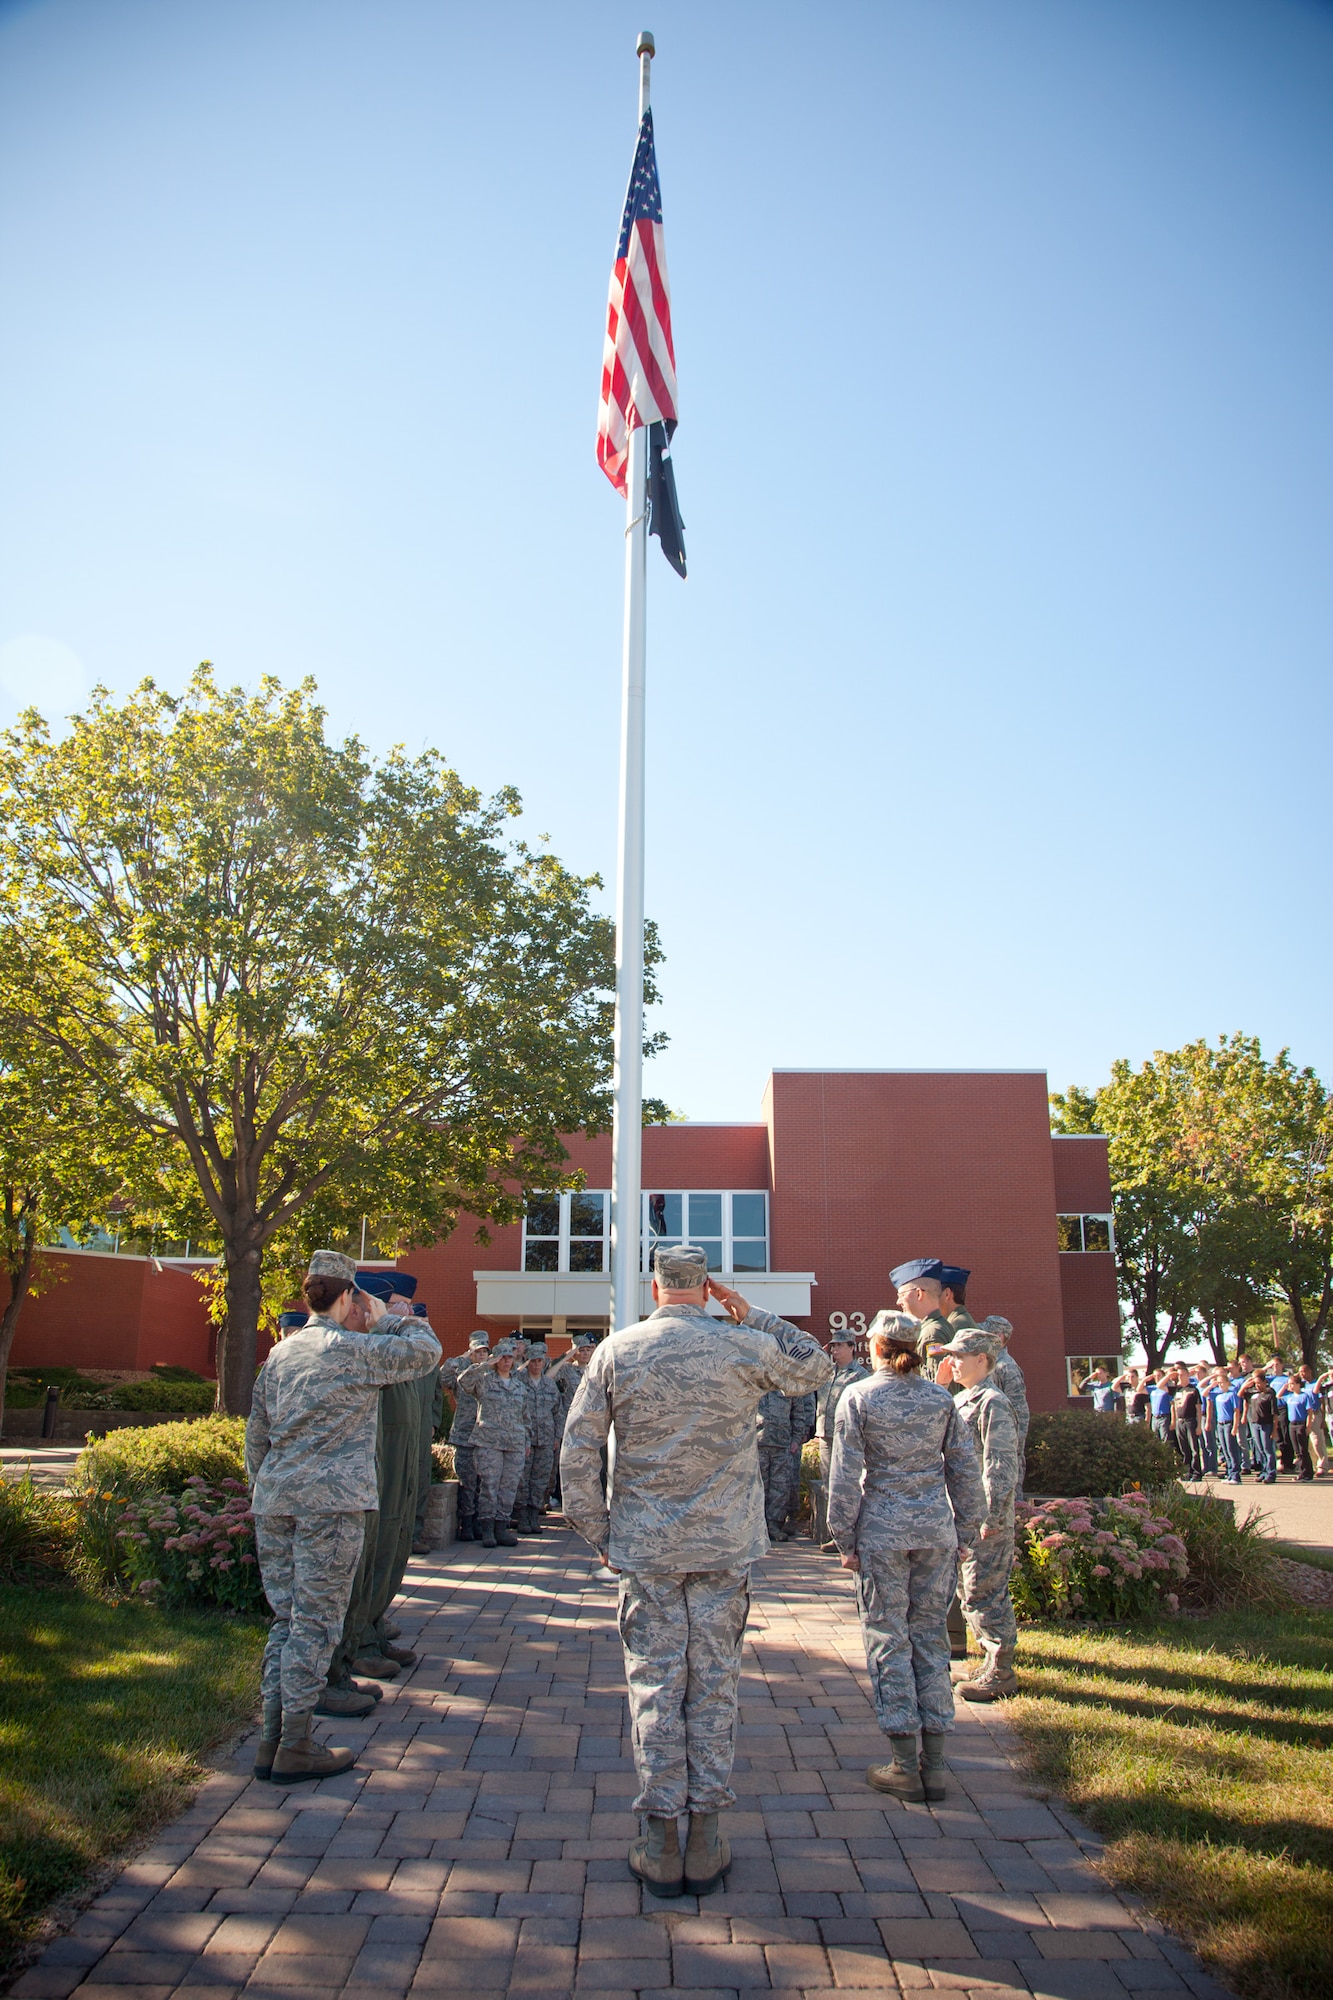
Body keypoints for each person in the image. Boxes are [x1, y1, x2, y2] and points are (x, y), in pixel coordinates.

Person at [560, 1244, 833, 1900]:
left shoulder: (617, 1351)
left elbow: (577, 1451)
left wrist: (599, 1533)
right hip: (722, 1547)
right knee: (713, 1685)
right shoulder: (740, 1344)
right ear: (706, 1287)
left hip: (645, 1549)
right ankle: (705, 1830)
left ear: (654, 1287)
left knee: (655, 1685)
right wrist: (756, 1315)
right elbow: (817, 1365)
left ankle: (659, 1835)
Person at [245, 1249, 441, 1783]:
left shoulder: (281, 1357)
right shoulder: (351, 1350)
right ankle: (297, 1744)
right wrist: (388, 1315)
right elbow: (427, 1351)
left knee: (285, 1621)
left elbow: (255, 1438)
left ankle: (269, 1741)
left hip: (276, 1500)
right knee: (316, 1623)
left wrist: (263, 1492)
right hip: (331, 1506)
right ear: (350, 1295)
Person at [827, 1310, 984, 1804]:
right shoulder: (941, 1399)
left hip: (882, 1535)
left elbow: (844, 1473)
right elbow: (964, 1468)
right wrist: (964, 1532)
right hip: (934, 1532)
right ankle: (934, 1764)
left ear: (875, 1347)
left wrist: (844, 1539)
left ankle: (902, 1763)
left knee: (888, 1639)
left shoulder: (859, 1396)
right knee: (931, 1639)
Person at [934, 1326, 1020, 1702]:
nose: (952, 1363)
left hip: (985, 1520)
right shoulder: (966, 1398)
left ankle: (1000, 1671)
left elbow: (1000, 1466)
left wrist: (993, 1518)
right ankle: (989, 1662)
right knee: (969, 1592)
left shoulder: (992, 1402)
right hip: (964, 1516)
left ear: (982, 1360)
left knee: (985, 1594)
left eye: (958, 1356)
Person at [458, 1335, 531, 1548]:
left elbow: (525, 1418)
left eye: (509, 1357)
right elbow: (463, 1381)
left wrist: (526, 1441)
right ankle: (487, 1528)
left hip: (514, 1444)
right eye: (502, 1357)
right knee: (489, 1486)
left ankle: (502, 1527)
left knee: (508, 1487)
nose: (507, 1361)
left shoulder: (520, 1387)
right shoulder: (484, 1381)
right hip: (489, 1442)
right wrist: (484, 1365)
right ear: (496, 1359)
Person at [815, 1338, 869, 1552]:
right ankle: (835, 1536)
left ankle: (852, 1533)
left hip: (847, 1437)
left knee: (848, 1485)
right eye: (832, 1347)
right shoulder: (827, 1372)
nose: (835, 1350)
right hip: (826, 1435)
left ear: (851, 1348)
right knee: (829, 1485)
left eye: (839, 1346)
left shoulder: (860, 1375)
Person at [444, 1332, 489, 1540]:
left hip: (487, 1436)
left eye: (484, 1351)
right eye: (476, 1351)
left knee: (484, 1483)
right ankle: (467, 1522)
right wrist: (462, 1358)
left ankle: (480, 1521)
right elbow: (443, 1378)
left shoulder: (491, 1373)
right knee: (467, 1481)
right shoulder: (459, 1370)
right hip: (464, 1434)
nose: (480, 1355)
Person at [979, 1317, 1030, 1491]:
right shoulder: (990, 1365)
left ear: (999, 1338)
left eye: (986, 1335)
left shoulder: (1007, 1368)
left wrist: (1011, 1449)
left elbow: (1020, 1414)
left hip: (1005, 1453)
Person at [517, 1341, 561, 1532]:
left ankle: (535, 1516)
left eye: (539, 1361)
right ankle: (522, 1518)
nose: (536, 1365)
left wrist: (557, 1437)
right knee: (522, 1479)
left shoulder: (550, 1385)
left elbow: (558, 1412)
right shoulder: (519, 1382)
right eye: (533, 1361)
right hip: (525, 1439)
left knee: (540, 1479)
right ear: (528, 1361)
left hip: (545, 1440)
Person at [756, 1388, 803, 1543]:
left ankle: (774, 1526)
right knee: (759, 1486)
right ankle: (757, 1526)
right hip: (758, 1444)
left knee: (780, 1487)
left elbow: (798, 1414)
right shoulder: (755, 1381)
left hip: (782, 1445)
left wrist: (796, 1438)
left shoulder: (788, 1385)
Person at [892, 1256, 951, 1363]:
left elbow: (935, 1378)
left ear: (918, 1294)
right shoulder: (941, 1326)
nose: (898, 1302)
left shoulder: (931, 1334)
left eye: (902, 1295)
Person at [1239, 1371, 1277, 1483]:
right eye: (1255, 1383)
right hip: (1255, 1424)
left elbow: (1275, 1414)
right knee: (1260, 1449)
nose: (1257, 1385)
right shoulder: (1253, 1392)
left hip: (1266, 1424)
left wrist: (1274, 1430)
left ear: (1264, 1381)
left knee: (1267, 1449)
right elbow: (1240, 1394)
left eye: (1259, 1382)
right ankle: (1264, 1471)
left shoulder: (1270, 1393)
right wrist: (1246, 1384)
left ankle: (1271, 1473)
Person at [1281, 1373, 1316, 1482]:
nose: (1290, 1386)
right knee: (1297, 1450)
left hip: (1301, 1424)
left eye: (1292, 1384)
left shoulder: (1304, 1396)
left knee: (1303, 1449)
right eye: (1289, 1384)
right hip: (1292, 1425)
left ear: (1298, 1384)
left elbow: (1309, 1412)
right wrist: (1284, 1387)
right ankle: (1302, 1472)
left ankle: (1308, 1473)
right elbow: (1278, 1396)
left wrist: (1308, 1426)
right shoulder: (1289, 1397)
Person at [1149, 1369, 1175, 1445]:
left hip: (1164, 1417)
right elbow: (1139, 1389)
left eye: (1159, 1375)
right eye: (1155, 1376)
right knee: (1155, 1441)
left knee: (1165, 1442)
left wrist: (1173, 1421)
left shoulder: (1168, 1388)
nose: (1156, 1377)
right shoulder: (1152, 1388)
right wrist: (1148, 1378)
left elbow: (1172, 1405)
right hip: (1154, 1417)